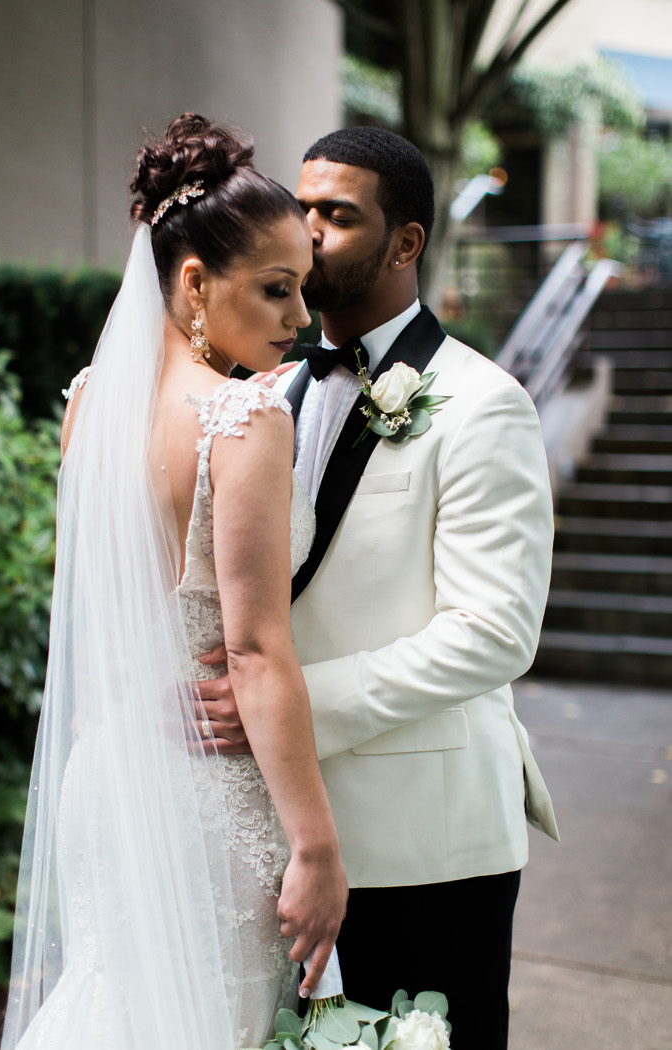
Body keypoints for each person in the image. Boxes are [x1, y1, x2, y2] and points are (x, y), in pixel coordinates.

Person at [198, 126, 559, 1050]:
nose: (308, 232)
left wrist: (282, 705)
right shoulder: (261, 392)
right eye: (301, 208)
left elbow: (492, 632)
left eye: (337, 216)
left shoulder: (484, 404)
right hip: (285, 833)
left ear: (405, 243)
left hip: (426, 846)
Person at [0, 114, 347, 1050]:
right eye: (277, 291)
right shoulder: (245, 416)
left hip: (108, 773)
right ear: (194, 281)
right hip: (210, 796)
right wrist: (316, 849)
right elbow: (255, 649)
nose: (299, 320)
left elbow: (87, 604)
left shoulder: (87, 403)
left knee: (113, 1002)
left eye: (303, 291)